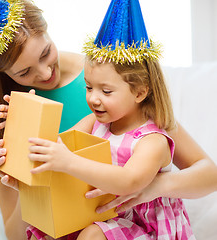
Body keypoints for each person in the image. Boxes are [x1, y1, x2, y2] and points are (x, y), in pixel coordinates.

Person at [0, 0, 217, 239]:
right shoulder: (15, 111)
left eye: (46, 53)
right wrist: (21, 166)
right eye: (24, 73)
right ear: (4, 76)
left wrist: (154, 186)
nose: (45, 73)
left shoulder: (110, 76)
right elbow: (17, 232)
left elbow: (206, 172)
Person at [26, 1, 195, 238]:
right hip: (106, 215)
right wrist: (26, 114)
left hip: (147, 228)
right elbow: (55, 144)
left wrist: (69, 162)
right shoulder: (93, 123)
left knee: (92, 235)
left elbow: (129, 181)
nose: (93, 99)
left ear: (139, 92)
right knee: (43, 232)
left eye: (106, 92)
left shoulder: (152, 140)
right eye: (88, 87)